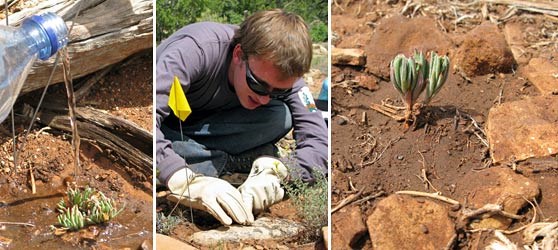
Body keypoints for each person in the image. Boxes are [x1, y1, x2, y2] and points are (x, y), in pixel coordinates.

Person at [156, 9, 328, 226]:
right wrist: (181, 178)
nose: (265, 98)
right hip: (169, 127)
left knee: (280, 116)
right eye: (258, 84)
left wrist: (283, 171)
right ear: (238, 55)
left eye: (277, 92)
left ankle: (205, 159)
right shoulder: (193, 51)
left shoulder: (289, 82)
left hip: (211, 128)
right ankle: (205, 162)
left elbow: (321, 143)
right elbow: (147, 122)